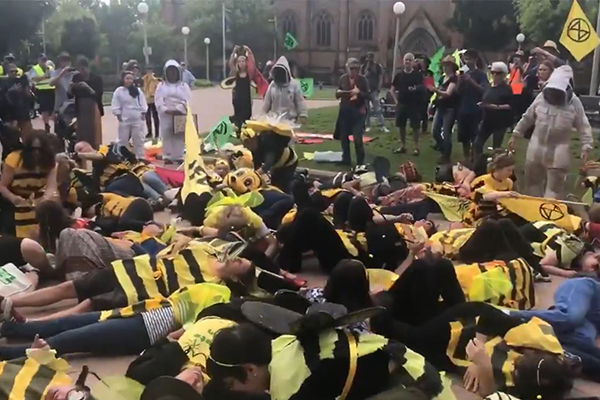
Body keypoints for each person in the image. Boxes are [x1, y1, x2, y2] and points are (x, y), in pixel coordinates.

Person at [371, 301, 576, 399]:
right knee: (411, 336)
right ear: (532, 354)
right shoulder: (536, 338)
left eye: (516, 371)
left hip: (454, 357)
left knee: (411, 349)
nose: (513, 367)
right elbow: (487, 314)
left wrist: (483, 367)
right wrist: (479, 351)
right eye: (517, 365)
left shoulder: (529, 389)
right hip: (468, 324)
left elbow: (490, 393)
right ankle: (380, 307)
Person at [509, 66, 593, 198]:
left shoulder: (575, 103)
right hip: (536, 146)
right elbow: (528, 117)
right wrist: (516, 134)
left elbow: (583, 125)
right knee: (532, 184)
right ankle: (534, 212)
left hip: (559, 149)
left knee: (554, 188)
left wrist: (586, 146)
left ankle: (549, 212)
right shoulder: (541, 98)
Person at [0, 131, 58, 238]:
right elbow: (2, 186)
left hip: (37, 202)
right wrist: (13, 198)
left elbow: (51, 187)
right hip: (14, 202)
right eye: (33, 149)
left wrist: (46, 198)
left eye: (39, 150)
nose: (36, 153)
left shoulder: (50, 162)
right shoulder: (14, 159)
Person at [334, 58, 370, 167]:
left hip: (358, 113)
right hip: (345, 112)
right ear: (347, 68)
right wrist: (339, 92)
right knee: (343, 136)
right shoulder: (343, 79)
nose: (354, 71)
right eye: (351, 68)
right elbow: (337, 93)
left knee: (357, 138)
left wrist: (359, 93)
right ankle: (346, 159)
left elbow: (368, 95)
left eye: (356, 69)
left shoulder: (363, 80)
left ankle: (360, 162)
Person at [473, 62, 513, 158]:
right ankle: (479, 163)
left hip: (500, 121)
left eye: (498, 73)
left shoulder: (507, 89)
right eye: (493, 72)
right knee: (477, 144)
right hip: (487, 120)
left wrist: (496, 107)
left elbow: (511, 105)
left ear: (503, 74)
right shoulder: (488, 87)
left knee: (496, 147)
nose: (495, 75)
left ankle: (496, 165)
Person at [155, 60, 191, 164]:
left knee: (178, 135)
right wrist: (166, 110)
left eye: (174, 72)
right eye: (169, 72)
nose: (172, 74)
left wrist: (178, 109)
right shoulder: (161, 86)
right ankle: (167, 155)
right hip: (166, 114)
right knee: (166, 134)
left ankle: (178, 156)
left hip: (179, 114)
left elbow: (187, 100)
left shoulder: (183, 86)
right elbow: (158, 100)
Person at [456, 49, 489, 160]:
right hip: (462, 109)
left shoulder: (481, 75)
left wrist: (471, 81)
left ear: (475, 59)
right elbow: (458, 93)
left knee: (474, 137)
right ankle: (467, 158)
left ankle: (476, 158)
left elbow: (484, 90)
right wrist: (459, 83)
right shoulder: (463, 74)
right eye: (465, 59)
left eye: (469, 59)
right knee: (464, 138)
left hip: (475, 110)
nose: (467, 61)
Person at [390, 53, 424, 155]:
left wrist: (416, 89)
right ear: (403, 62)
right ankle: (403, 146)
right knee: (401, 126)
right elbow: (392, 89)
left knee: (415, 126)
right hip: (402, 104)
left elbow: (422, 87)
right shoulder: (399, 75)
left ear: (413, 62)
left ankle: (416, 147)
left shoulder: (417, 75)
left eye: (410, 60)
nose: (408, 62)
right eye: (406, 60)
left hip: (414, 104)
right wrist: (396, 101)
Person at [428, 55, 459, 164]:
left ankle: (446, 155)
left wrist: (435, 90)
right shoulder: (442, 78)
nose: (446, 67)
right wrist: (433, 101)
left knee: (446, 132)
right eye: (445, 65)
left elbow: (447, 93)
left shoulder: (454, 79)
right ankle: (442, 148)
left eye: (448, 65)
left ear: (452, 67)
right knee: (435, 131)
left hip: (449, 108)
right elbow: (440, 93)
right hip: (440, 107)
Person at [111, 71, 148, 159]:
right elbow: (116, 104)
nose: (129, 81)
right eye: (127, 78)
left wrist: (143, 113)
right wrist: (118, 115)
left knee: (138, 139)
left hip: (137, 119)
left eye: (131, 78)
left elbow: (143, 103)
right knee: (123, 140)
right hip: (125, 119)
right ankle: (122, 157)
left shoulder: (137, 91)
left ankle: (140, 157)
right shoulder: (119, 91)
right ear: (123, 79)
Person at [69, 56, 104, 149]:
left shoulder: (96, 78)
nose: (82, 71)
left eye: (83, 69)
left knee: (94, 133)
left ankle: (95, 150)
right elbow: (70, 95)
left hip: (93, 107)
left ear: (88, 68)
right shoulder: (76, 77)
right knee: (82, 132)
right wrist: (71, 87)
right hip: (80, 108)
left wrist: (86, 87)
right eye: (79, 69)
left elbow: (97, 94)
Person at [262, 56, 307, 123]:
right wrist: (262, 115)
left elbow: (300, 101)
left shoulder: (294, 85)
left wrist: (303, 114)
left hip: (290, 121)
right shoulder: (272, 85)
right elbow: (267, 102)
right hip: (274, 121)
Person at [360, 52, 389, 133]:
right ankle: (367, 125)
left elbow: (380, 77)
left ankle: (381, 125)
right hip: (365, 91)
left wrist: (378, 88)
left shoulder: (377, 66)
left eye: (371, 58)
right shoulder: (364, 67)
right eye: (368, 58)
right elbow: (361, 77)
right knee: (366, 109)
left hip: (374, 90)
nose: (369, 59)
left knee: (377, 108)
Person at [27, 53, 55, 133]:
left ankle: (53, 124)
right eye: (42, 60)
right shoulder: (35, 68)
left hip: (51, 90)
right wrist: (45, 77)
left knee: (53, 110)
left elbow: (54, 77)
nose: (44, 61)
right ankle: (46, 125)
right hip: (41, 91)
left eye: (45, 60)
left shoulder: (50, 68)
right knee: (44, 110)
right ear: (38, 60)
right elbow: (33, 78)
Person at [229, 46, 254, 129]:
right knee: (238, 117)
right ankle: (238, 130)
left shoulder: (249, 73)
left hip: (247, 99)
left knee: (247, 117)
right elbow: (231, 63)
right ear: (237, 63)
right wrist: (233, 52)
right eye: (239, 61)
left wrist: (249, 51)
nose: (241, 62)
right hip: (237, 100)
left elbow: (253, 63)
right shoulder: (236, 73)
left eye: (243, 61)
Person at [49, 52, 77, 121]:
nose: (65, 63)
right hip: (60, 105)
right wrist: (62, 73)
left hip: (73, 105)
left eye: (67, 61)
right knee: (60, 128)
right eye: (63, 61)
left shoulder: (75, 73)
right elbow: (51, 83)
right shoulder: (56, 72)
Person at [143, 66, 161, 139]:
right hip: (147, 99)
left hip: (154, 99)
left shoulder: (155, 79)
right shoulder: (144, 79)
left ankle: (157, 133)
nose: (149, 72)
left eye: (150, 70)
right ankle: (149, 132)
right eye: (147, 70)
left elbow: (158, 89)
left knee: (155, 116)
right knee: (147, 117)